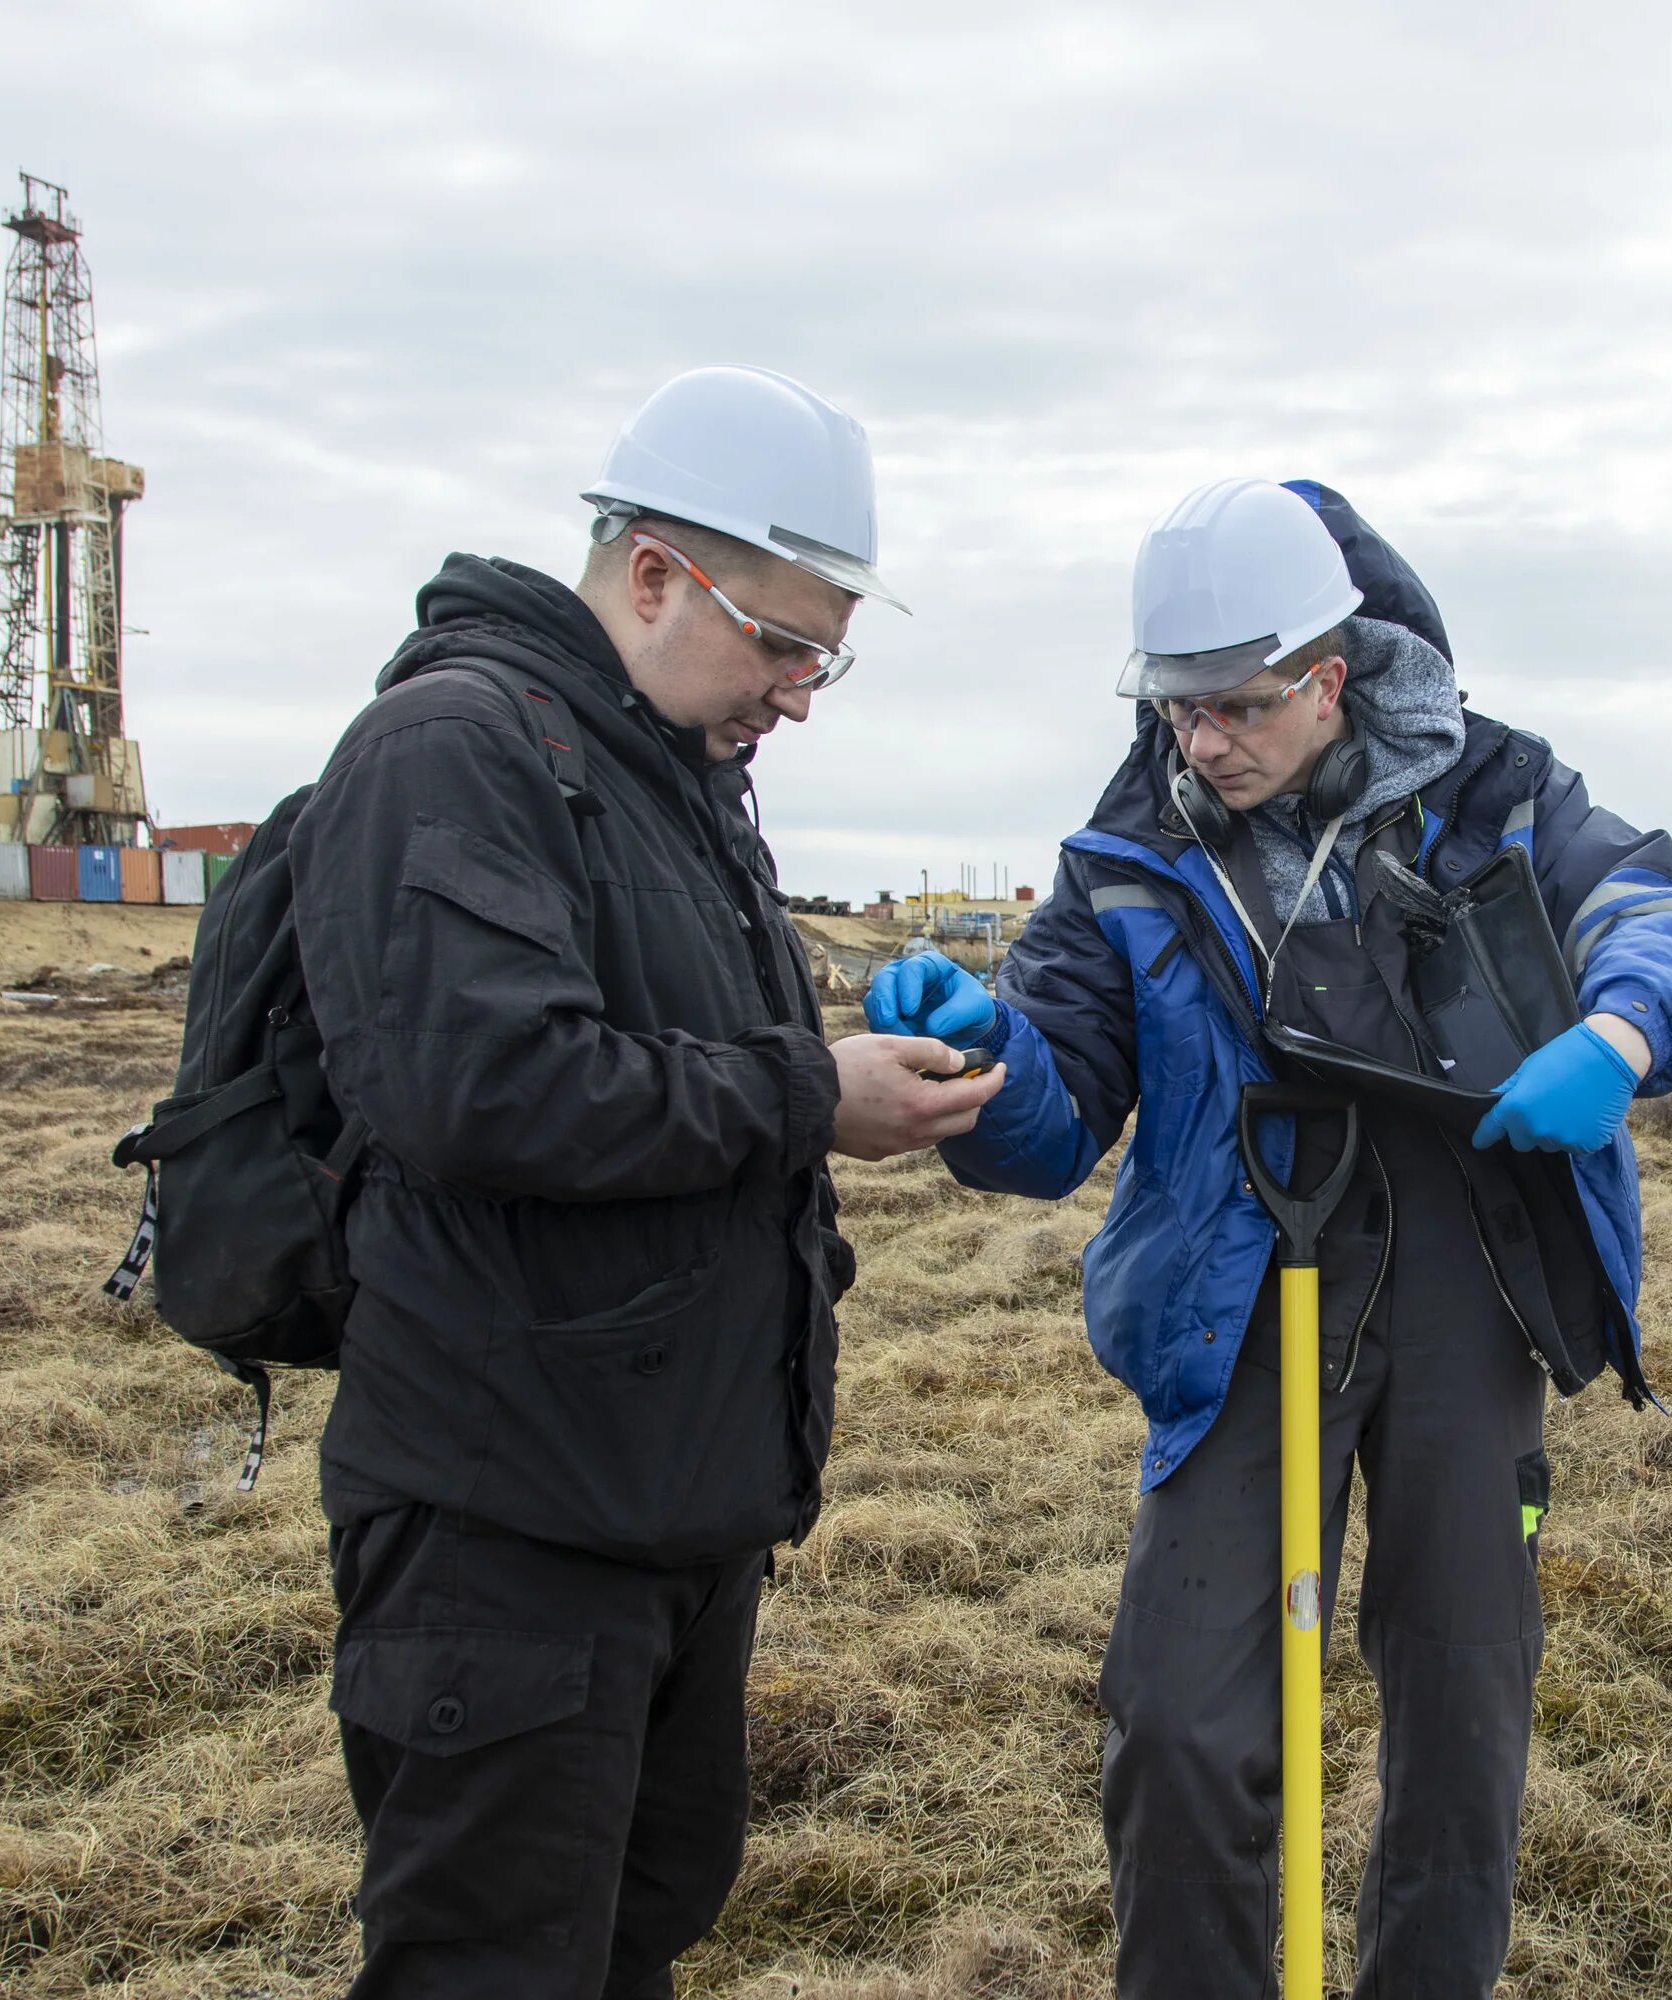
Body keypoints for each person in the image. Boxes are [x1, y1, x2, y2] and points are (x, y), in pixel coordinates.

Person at [867, 478, 1672, 1998]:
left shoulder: (1504, 793)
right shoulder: (1130, 856)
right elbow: (1062, 1107)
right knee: (1186, 1728)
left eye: (1240, 707)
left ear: (1330, 678)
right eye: (1175, 709)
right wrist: (986, 1058)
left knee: (1464, 1718)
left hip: (1472, 1291)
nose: (1203, 742)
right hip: (1235, 1298)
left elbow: (1661, 915)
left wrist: (1620, 1029)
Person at [289, 365, 1005, 2000]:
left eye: (830, 652)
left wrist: (832, 1049)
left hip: (666, 1518)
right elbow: (488, 1087)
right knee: (493, 1960)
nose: (805, 692)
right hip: (508, 1530)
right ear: (657, 574)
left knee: (632, 1932)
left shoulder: (667, 776)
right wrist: (810, 1089)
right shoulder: (450, 748)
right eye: (785, 642)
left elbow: (667, 1066)